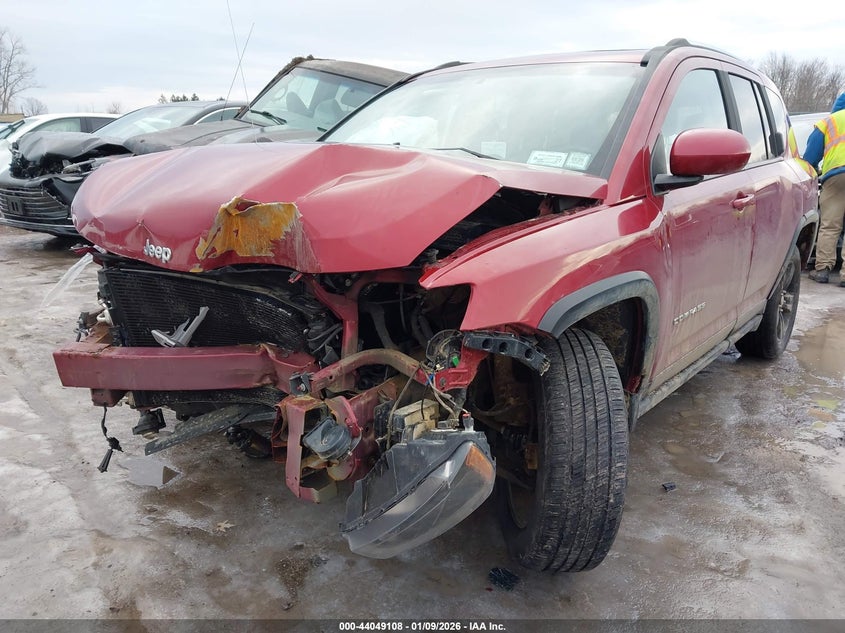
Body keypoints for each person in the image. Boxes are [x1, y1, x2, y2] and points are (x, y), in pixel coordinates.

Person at [803, 93, 845, 285]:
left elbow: (810, 156)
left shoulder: (829, 122)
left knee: (830, 225)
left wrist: (813, 170)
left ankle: (822, 270)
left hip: (835, 176)